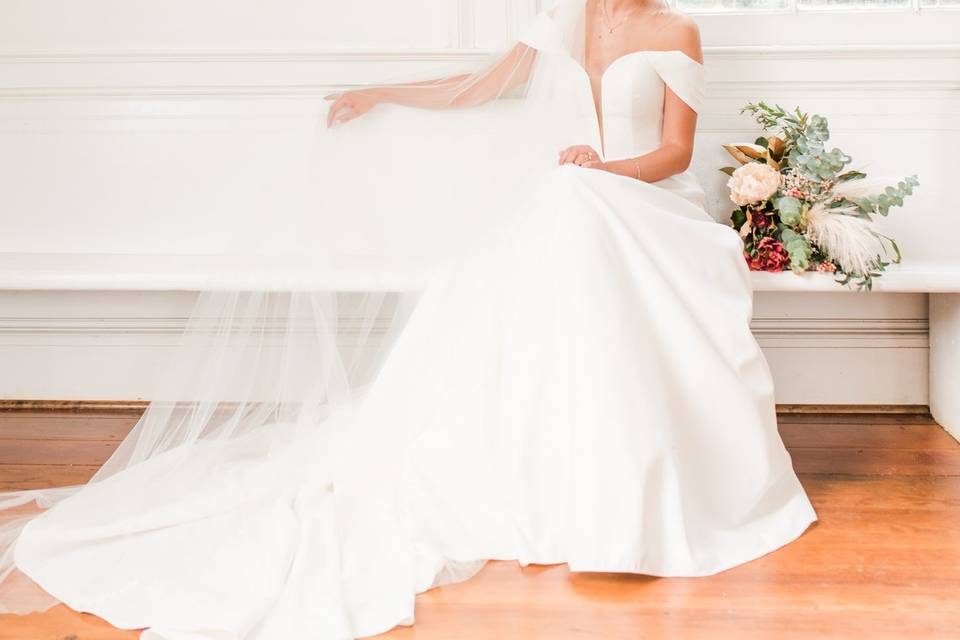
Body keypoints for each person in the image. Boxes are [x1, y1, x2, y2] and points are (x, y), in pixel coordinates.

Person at [0, 1, 818, 638]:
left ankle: (633, 480)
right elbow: (483, 86)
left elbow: (676, 151)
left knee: (574, 207)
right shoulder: (562, 18)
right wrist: (382, 92)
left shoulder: (678, 27)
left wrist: (607, 168)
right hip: (573, 202)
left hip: (638, 202)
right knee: (549, 237)